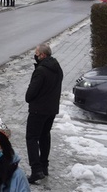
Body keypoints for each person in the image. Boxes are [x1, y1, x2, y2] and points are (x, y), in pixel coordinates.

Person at [24, 43, 64, 183]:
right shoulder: (57, 67)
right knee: (45, 136)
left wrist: (30, 97)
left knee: (32, 138)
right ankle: (44, 166)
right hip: (51, 109)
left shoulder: (41, 71)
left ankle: (36, 171)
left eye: (36, 53)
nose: (35, 55)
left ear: (42, 55)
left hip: (38, 110)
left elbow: (29, 95)